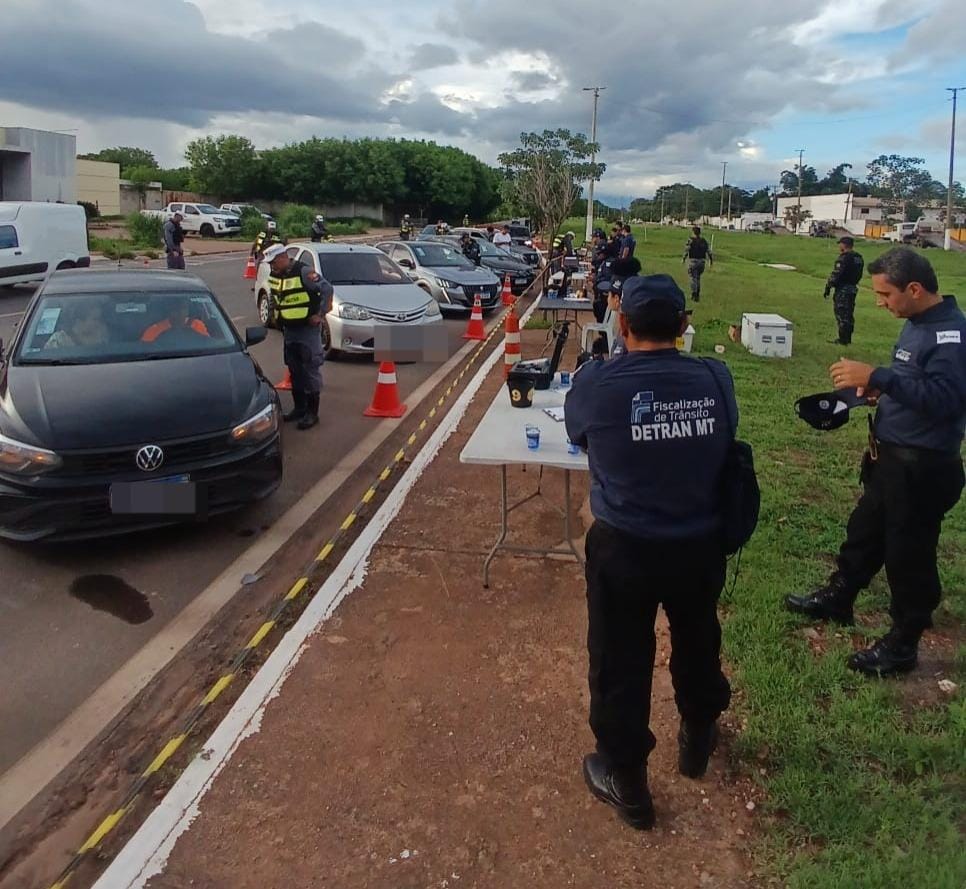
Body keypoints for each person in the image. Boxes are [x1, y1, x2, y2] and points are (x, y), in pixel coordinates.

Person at [565, 274, 737, 830]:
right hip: (698, 542)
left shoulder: (599, 382)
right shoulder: (716, 376)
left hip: (626, 547)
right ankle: (698, 734)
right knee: (697, 637)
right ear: (684, 326)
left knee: (619, 659)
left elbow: (578, 432)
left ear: (622, 323)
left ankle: (628, 781)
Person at [786, 248, 965, 676]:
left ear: (915, 289)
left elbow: (946, 401)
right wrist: (879, 390)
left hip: (922, 467)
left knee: (909, 554)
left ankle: (904, 642)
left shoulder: (951, 338)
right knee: (864, 532)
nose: (879, 302)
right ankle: (839, 597)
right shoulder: (918, 324)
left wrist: (878, 377)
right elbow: (916, 384)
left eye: (886, 294)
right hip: (890, 458)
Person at [263, 243, 333, 430]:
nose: (272, 266)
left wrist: (320, 314)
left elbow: (327, 289)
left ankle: (312, 413)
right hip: (289, 330)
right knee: (294, 370)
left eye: (274, 262)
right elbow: (277, 299)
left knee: (310, 370)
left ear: (283, 258)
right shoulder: (274, 275)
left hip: (307, 330)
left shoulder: (304, 272)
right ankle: (299, 409)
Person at [823, 236, 865, 345]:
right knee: (849, 313)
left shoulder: (844, 258)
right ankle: (848, 338)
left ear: (843, 245)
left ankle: (842, 340)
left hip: (843, 289)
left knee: (842, 314)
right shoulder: (858, 258)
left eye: (840, 244)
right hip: (853, 288)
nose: (839, 246)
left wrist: (828, 286)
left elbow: (837, 274)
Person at [141, 296, 209, 342]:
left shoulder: (197, 325)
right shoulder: (154, 330)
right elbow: (144, 350)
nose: (180, 313)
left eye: (183, 308)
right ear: (169, 311)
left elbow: (207, 343)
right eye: (176, 309)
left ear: (188, 310)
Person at [683, 226, 713, 302]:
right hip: (702, 262)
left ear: (693, 232)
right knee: (698, 278)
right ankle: (698, 294)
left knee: (693, 278)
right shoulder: (704, 241)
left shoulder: (690, 240)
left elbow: (687, 250)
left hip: (693, 261)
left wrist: (683, 258)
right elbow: (709, 252)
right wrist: (711, 260)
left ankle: (694, 294)